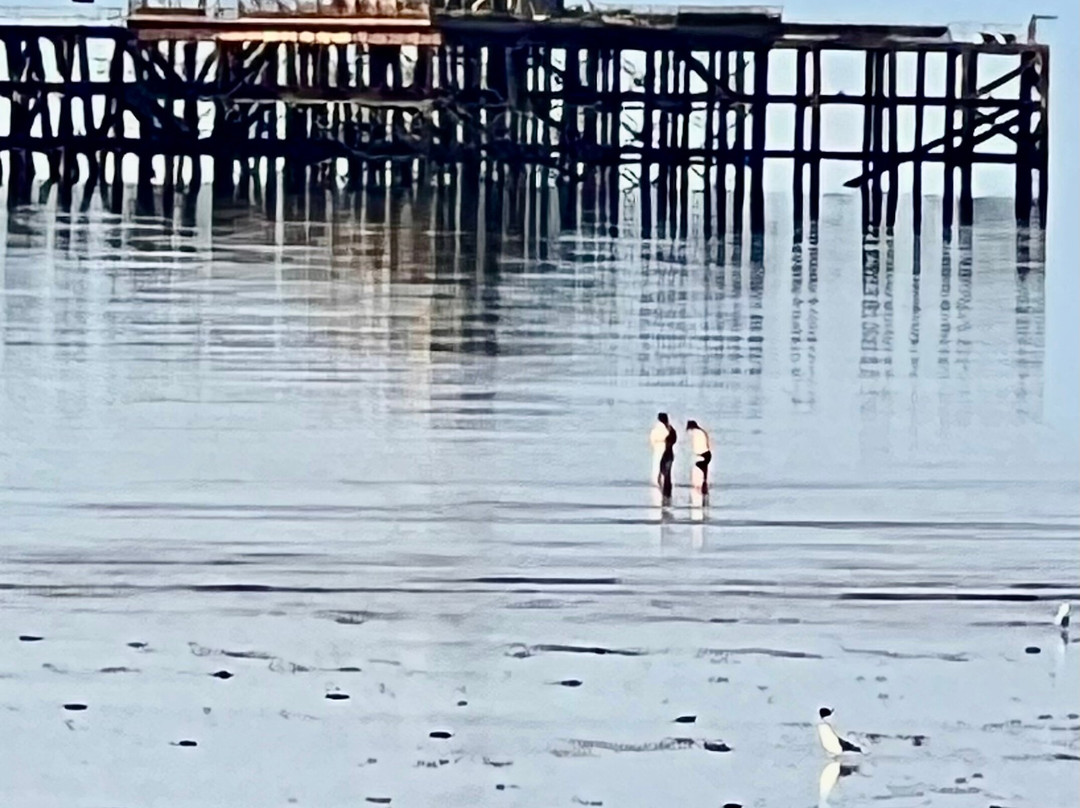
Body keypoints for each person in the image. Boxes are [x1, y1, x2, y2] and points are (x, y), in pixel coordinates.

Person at [649, 412, 677, 497]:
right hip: (669, 453)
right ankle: (667, 491)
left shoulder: (666, 429)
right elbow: (674, 439)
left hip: (666, 454)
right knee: (666, 473)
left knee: (664, 472)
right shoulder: (670, 428)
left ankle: (665, 492)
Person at [686, 419, 712, 493]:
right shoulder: (702, 431)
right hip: (707, 453)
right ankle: (705, 487)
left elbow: (695, 445)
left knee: (697, 474)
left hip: (700, 454)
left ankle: (699, 489)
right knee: (704, 473)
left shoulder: (695, 433)